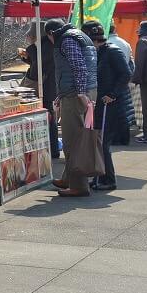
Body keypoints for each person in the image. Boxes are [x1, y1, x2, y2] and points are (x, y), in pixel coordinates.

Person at [44, 19, 98, 197]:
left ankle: (79, 185)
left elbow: (79, 67)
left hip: (76, 95)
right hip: (84, 91)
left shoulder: (66, 40)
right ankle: (68, 178)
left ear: (51, 33)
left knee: (72, 140)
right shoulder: (80, 36)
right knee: (77, 137)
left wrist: (80, 93)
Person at [83, 22, 131, 191]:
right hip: (100, 102)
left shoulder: (112, 52)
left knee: (103, 143)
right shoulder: (98, 53)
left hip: (110, 104)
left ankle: (108, 179)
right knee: (98, 142)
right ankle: (99, 176)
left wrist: (113, 94)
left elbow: (126, 74)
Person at [21, 23, 59, 158]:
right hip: (49, 87)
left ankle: (53, 150)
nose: (28, 36)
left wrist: (31, 47)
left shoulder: (46, 46)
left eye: (30, 34)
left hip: (46, 88)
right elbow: (37, 64)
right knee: (49, 118)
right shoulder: (47, 45)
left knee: (49, 119)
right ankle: (52, 149)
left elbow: (38, 68)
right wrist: (27, 57)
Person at [107, 22, 136, 145]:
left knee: (113, 113)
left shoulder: (107, 44)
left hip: (112, 80)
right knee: (123, 110)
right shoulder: (125, 42)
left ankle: (115, 138)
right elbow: (131, 62)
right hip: (124, 79)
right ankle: (124, 137)